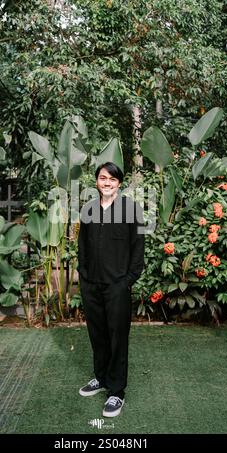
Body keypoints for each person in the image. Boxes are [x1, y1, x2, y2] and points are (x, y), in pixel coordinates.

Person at [77, 162, 145, 417]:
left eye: (112, 179)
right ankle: (101, 378)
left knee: (118, 338)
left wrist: (127, 280)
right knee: (97, 334)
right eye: (103, 178)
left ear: (119, 183)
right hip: (91, 284)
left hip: (117, 285)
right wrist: (83, 275)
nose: (107, 183)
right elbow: (83, 245)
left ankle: (116, 392)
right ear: (97, 181)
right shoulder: (89, 209)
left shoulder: (131, 209)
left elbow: (138, 249)